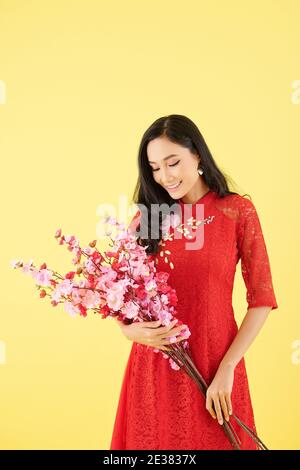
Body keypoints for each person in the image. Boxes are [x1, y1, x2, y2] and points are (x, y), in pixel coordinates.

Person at [110, 114, 278, 450]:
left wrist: (228, 367)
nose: (165, 176)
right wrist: (128, 330)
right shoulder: (146, 219)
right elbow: (118, 297)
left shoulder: (236, 211)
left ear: (197, 155)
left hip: (216, 368)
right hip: (155, 371)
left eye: (173, 163)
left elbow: (261, 299)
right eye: (155, 167)